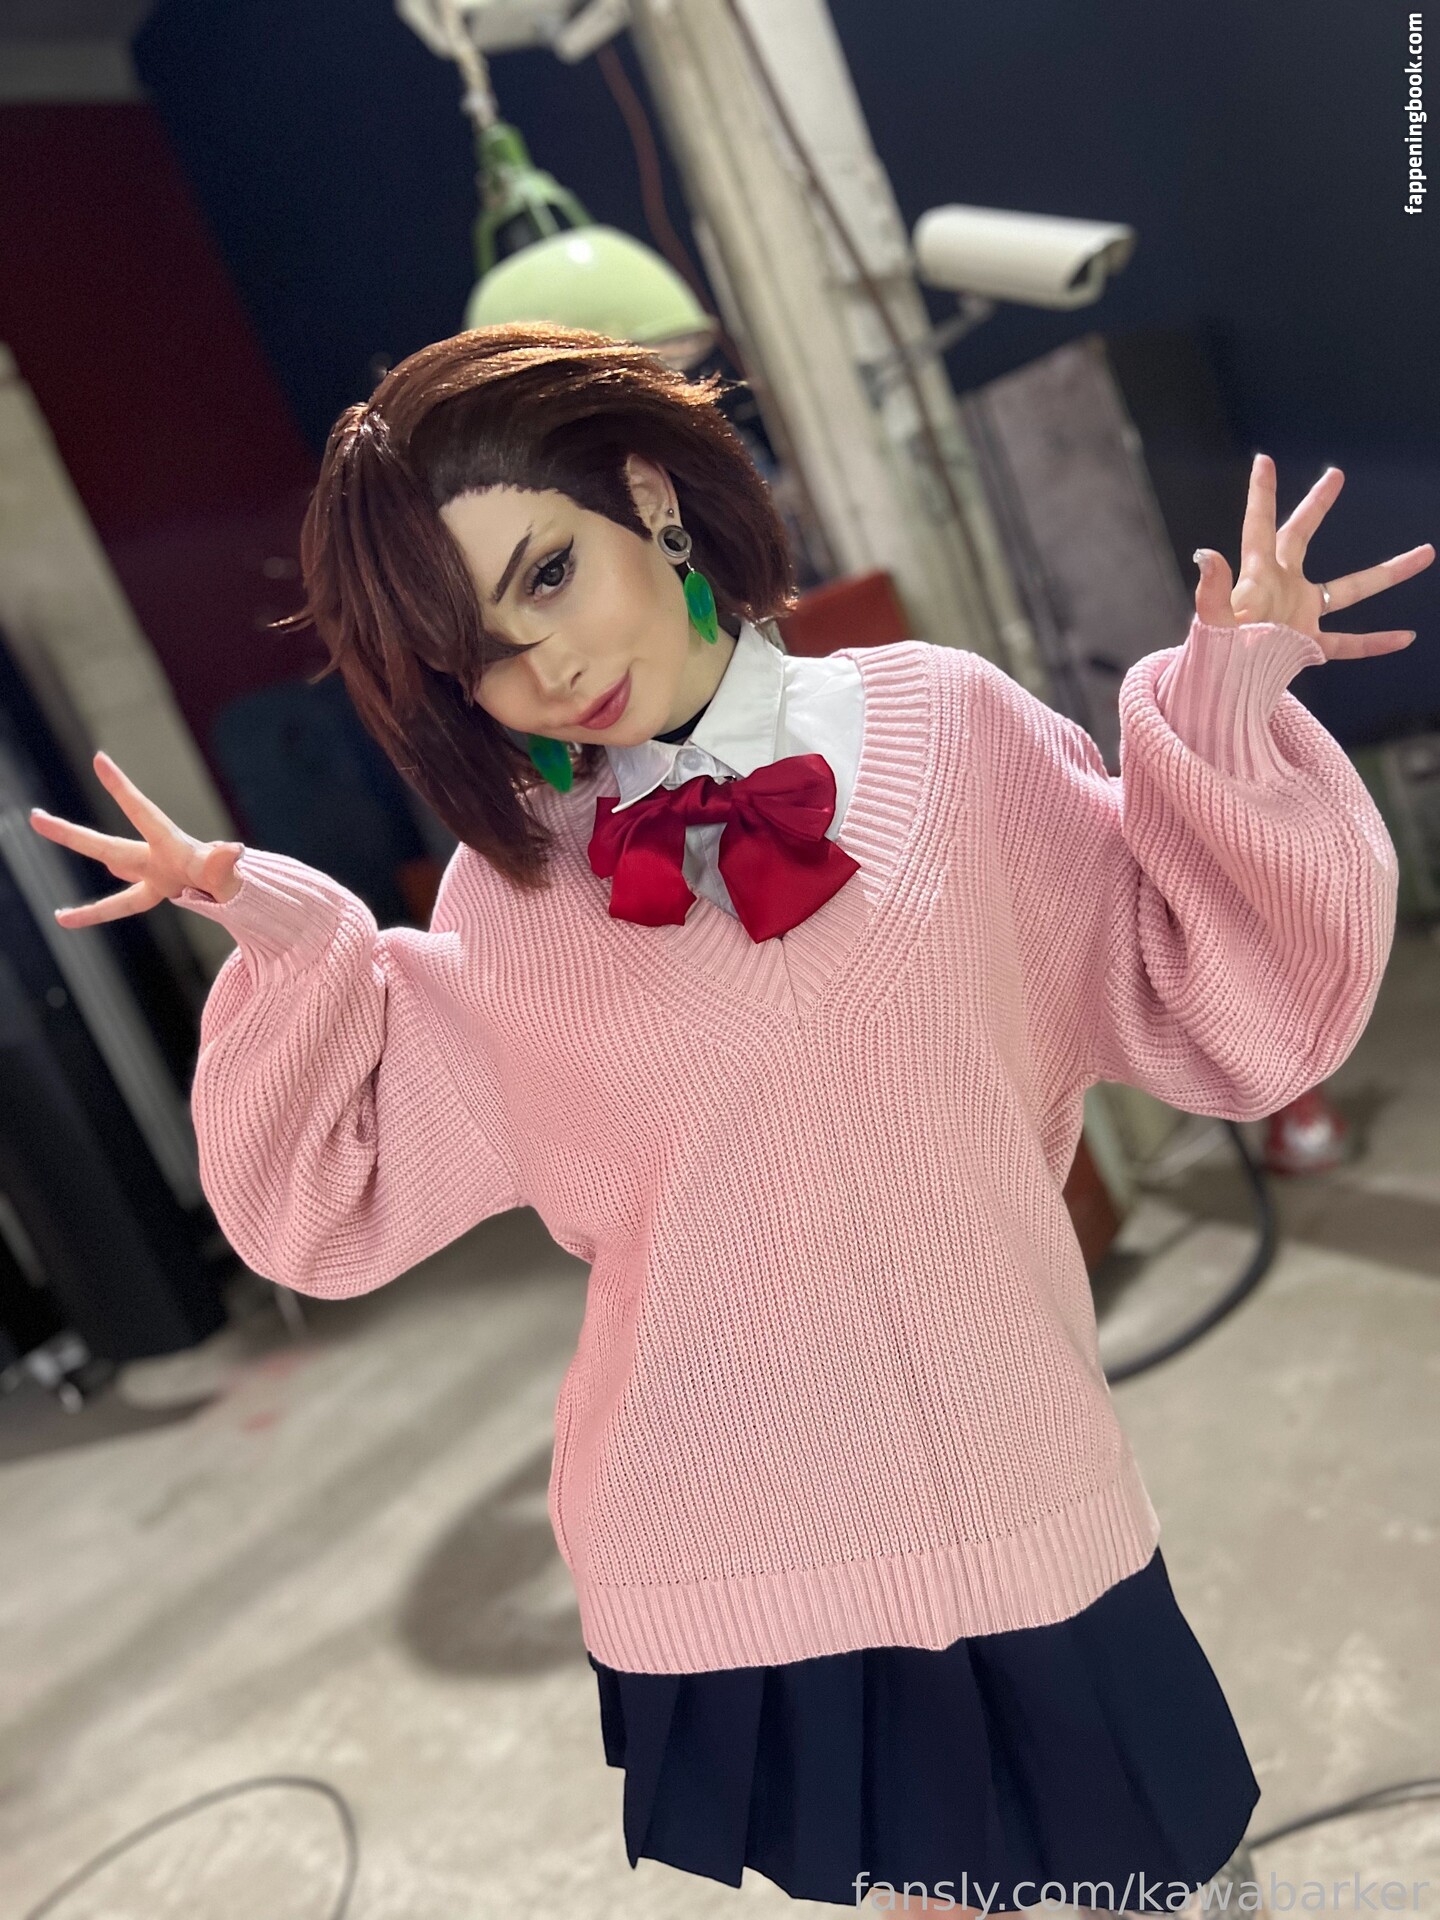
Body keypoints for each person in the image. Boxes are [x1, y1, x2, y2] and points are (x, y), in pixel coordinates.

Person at [29, 323, 1431, 1916]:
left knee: (1177, 1886)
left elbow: (1219, 988)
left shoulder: (950, 733)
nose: (547, 668)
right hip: (740, 1551)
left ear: (650, 494)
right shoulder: (512, 902)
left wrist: (1229, 717)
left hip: (1027, 1490)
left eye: (551, 573)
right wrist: (296, 949)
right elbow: (321, 1210)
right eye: (482, 649)